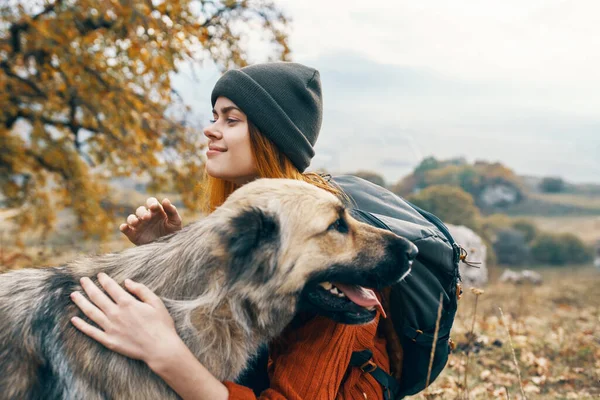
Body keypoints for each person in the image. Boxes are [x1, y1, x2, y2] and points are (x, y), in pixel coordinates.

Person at [70, 62, 391, 399]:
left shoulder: (323, 250)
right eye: (214, 117)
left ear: (271, 137)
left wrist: (165, 353)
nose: (210, 130)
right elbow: (214, 319)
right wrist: (172, 251)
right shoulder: (249, 224)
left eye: (231, 119)